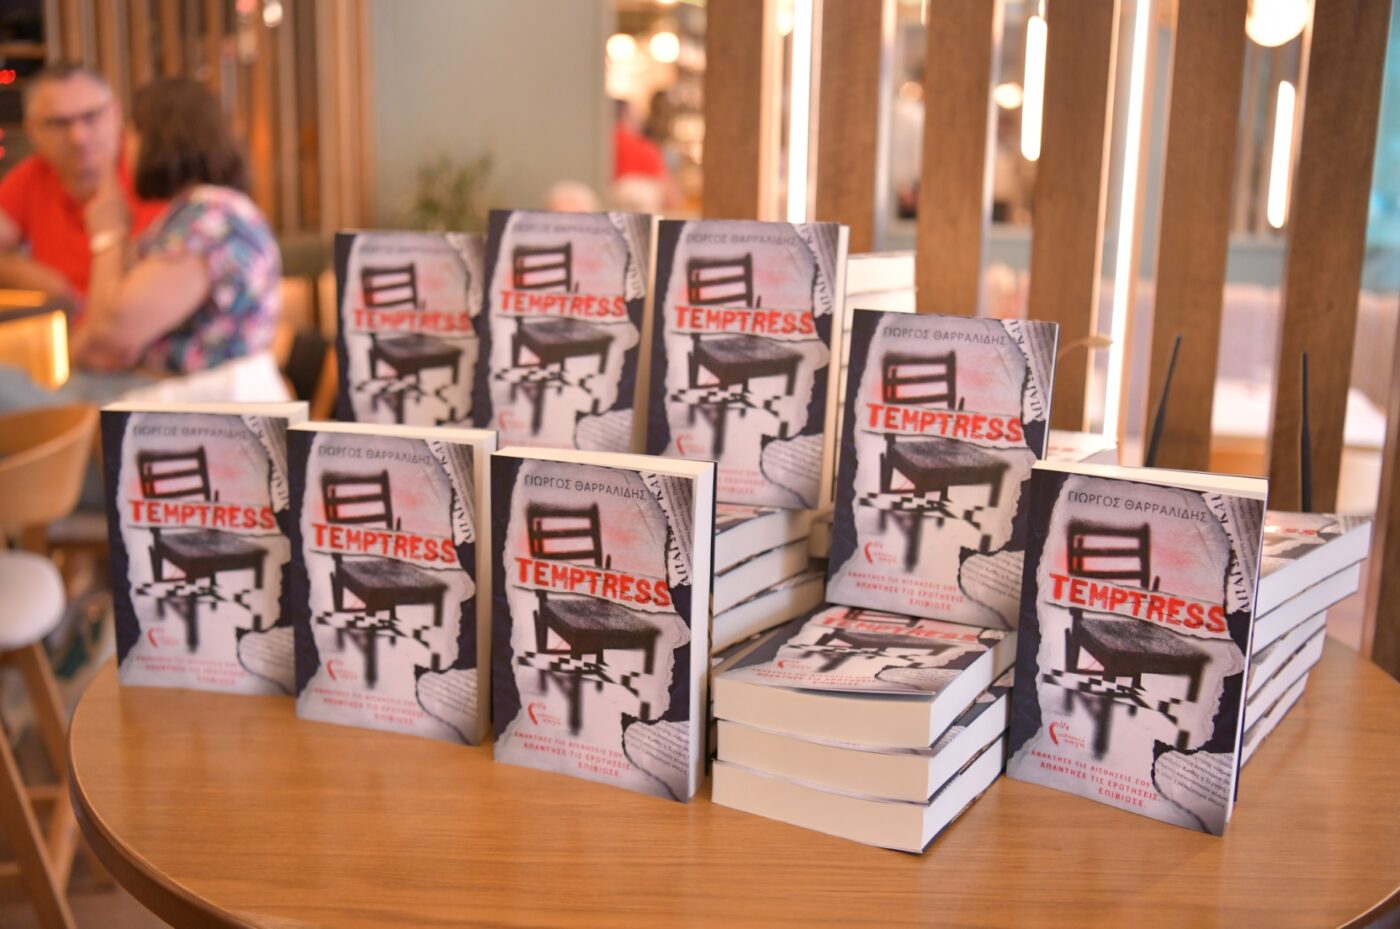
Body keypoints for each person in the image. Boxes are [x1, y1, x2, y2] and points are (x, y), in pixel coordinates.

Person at [72, 77, 280, 376]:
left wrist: (107, 235)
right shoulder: (200, 212)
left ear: (153, 140)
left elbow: (109, 334)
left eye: (129, 136)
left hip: (193, 401)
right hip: (172, 394)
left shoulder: (210, 218)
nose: (124, 151)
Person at [0, 63, 166, 309]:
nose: (78, 137)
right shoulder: (33, 175)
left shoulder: (154, 168)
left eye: (90, 117)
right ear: (32, 130)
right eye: (59, 123)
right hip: (66, 326)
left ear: (115, 114)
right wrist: (34, 279)